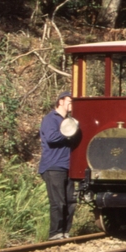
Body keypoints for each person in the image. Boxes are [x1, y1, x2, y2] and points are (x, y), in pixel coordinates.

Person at [39, 90, 75, 241]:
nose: (71, 104)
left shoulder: (69, 120)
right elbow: (52, 137)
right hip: (54, 166)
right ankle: (55, 233)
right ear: (61, 101)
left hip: (68, 166)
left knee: (71, 201)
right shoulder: (51, 119)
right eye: (69, 101)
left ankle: (65, 232)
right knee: (58, 202)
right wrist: (69, 132)